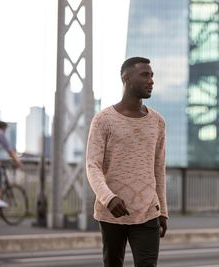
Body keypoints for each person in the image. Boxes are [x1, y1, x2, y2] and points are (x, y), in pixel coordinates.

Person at [86, 56, 168, 267]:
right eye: (145, 75)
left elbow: (159, 169)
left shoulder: (157, 122)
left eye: (152, 76)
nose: (151, 80)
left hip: (148, 210)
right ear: (127, 78)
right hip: (112, 211)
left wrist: (163, 211)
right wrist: (108, 198)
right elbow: (92, 165)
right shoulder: (103, 119)